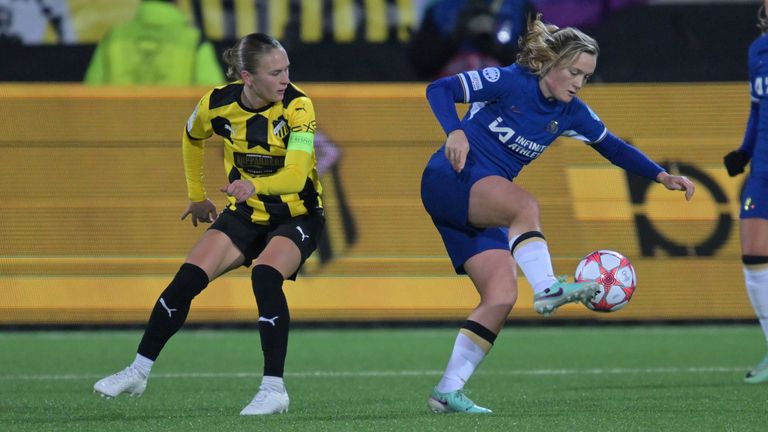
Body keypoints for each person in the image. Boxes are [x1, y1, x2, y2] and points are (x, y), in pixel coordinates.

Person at [420, 13, 695, 413]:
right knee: (525, 206)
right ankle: (548, 286)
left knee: (500, 295)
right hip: (450, 178)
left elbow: (614, 147)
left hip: (478, 200)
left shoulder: (572, 112)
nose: (579, 83)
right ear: (549, 63)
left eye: (586, 75)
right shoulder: (510, 80)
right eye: (573, 71)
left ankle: (447, 391)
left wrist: (659, 176)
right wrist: (455, 130)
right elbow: (439, 89)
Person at [92, 33, 325, 416]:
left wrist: (255, 184)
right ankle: (139, 369)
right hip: (247, 214)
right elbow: (190, 137)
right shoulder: (217, 104)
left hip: (297, 215)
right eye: (275, 72)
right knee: (185, 281)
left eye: (287, 70)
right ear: (247, 77)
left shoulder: (298, 107)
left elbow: (298, 174)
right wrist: (197, 194)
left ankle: (274, 389)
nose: (286, 79)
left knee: (266, 276)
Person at [723, 0, 768, 385]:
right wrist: (745, 150)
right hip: (763, 172)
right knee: (754, 253)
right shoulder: (758, 50)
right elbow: (757, 110)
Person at [84, 0, 223, 85]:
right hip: (175, 132)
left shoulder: (113, 38)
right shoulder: (194, 41)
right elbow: (215, 100)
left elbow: (88, 97)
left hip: (117, 131)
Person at [408, 0, 531, 79]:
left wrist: (494, 46)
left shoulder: (520, 7)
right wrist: (457, 35)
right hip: (450, 98)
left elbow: (534, 67)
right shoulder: (439, 9)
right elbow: (421, 66)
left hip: (506, 102)